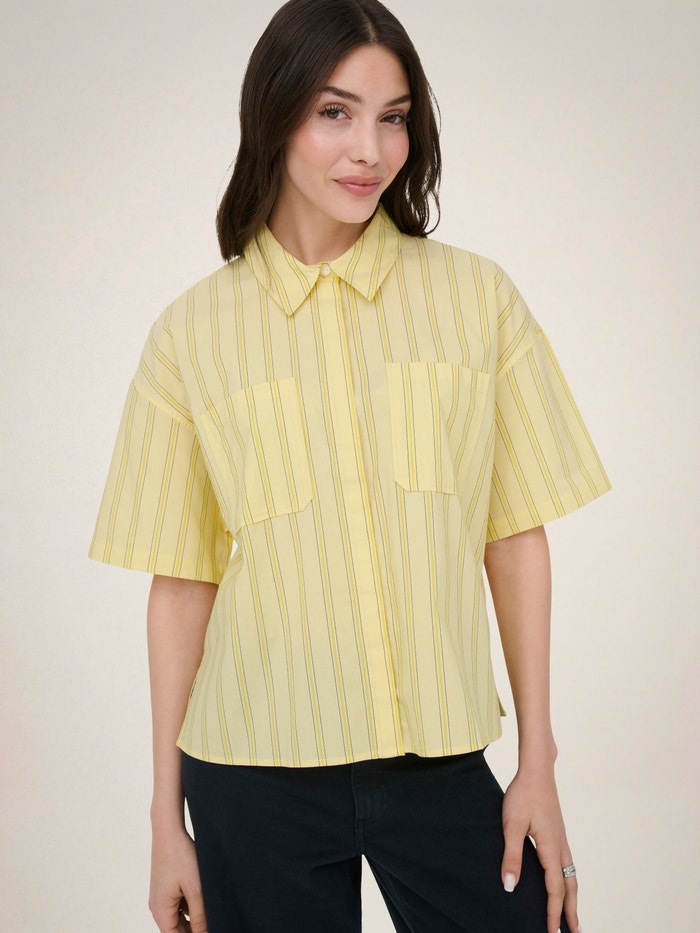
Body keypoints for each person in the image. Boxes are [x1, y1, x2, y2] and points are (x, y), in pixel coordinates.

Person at [89, 1, 610, 931]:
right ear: (275, 114)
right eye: (335, 112)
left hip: (440, 759)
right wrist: (166, 819)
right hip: (250, 770)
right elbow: (182, 583)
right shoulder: (190, 334)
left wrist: (538, 761)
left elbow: (514, 533)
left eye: (393, 116)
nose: (370, 149)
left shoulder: (477, 300)